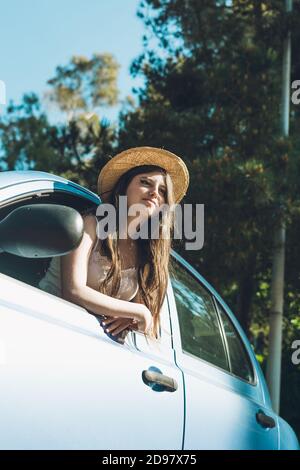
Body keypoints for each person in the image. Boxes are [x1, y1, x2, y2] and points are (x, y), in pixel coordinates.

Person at [38, 146, 189, 343]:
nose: (154, 193)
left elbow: (149, 327)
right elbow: (73, 291)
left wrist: (138, 322)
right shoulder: (91, 224)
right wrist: (139, 311)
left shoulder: (148, 254)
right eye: (145, 182)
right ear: (123, 187)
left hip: (97, 343)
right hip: (47, 323)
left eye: (162, 191)